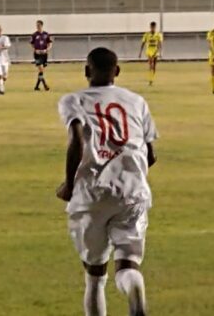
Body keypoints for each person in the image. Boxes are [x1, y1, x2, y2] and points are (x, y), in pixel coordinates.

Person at [56, 47, 158, 316]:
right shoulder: (137, 101)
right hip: (132, 191)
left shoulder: (73, 100)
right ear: (117, 72)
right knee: (128, 265)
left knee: (95, 275)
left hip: (92, 193)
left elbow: (77, 141)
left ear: (87, 71)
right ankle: (134, 288)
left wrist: (68, 184)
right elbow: (151, 155)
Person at [138, 22, 163, 86]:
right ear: (150, 27)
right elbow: (143, 43)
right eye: (152, 27)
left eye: (154, 27)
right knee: (151, 64)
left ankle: (152, 78)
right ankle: (150, 79)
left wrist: (160, 52)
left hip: (155, 51)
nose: (153, 28)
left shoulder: (158, 35)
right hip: (149, 51)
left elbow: (160, 44)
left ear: (155, 27)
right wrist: (140, 52)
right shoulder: (146, 34)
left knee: (154, 66)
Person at [30, 20, 52, 91]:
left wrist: (47, 49)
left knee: (41, 71)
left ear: (42, 25)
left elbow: (50, 43)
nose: (37, 27)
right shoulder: (34, 35)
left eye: (38, 25)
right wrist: (35, 50)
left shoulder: (46, 34)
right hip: (37, 54)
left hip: (44, 54)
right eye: (37, 25)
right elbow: (32, 44)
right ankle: (45, 85)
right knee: (41, 69)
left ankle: (36, 87)